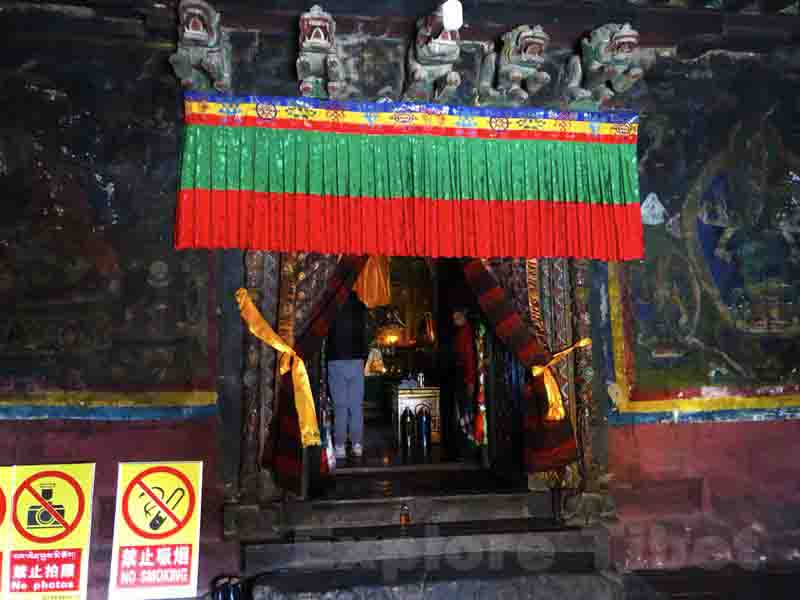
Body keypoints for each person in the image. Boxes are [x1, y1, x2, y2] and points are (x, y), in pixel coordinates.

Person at [327, 290, 369, 460]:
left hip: (336, 359)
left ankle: (339, 447)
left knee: (340, 406)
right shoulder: (361, 307)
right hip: (357, 359)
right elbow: (368, 333)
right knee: (356, 405)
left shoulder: (331, 306)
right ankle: (357, 444)